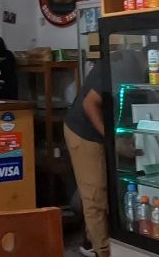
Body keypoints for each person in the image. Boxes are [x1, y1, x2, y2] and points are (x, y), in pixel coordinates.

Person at [64, 61, 112, 257]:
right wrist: (113, 141)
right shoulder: (119, 65)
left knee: (104, 190)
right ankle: (102, 251)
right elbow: (89, 104)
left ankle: (90, 238)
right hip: (84, 132)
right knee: (95, 194)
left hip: (101, 130)